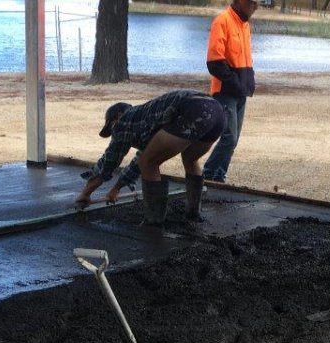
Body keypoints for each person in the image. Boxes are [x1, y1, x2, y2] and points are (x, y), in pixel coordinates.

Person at [75, 89, 227, 227]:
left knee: (149, 163)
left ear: (118, 116)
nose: (114, 132)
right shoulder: (148, 120)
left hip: (194, 109)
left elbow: (109, 163)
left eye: (112, 127)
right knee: (189, 160)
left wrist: (85, 194)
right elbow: (138, 163)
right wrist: (116, 189)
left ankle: (154, 222)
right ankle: (194, 214)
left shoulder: (125, 120)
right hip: (217, 112)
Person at [203, 0, 257, 184]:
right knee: (229, 138)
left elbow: (246, 58)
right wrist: (234, 82)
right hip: (225, 92)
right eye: (252, 3)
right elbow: (214, 62)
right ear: (241, 2)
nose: (255, 7)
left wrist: (250, 81)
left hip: (241, 92)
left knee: (234, 140)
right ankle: (207, 175)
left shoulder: (245, 25)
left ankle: (219, 177)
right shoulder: (222, 21)